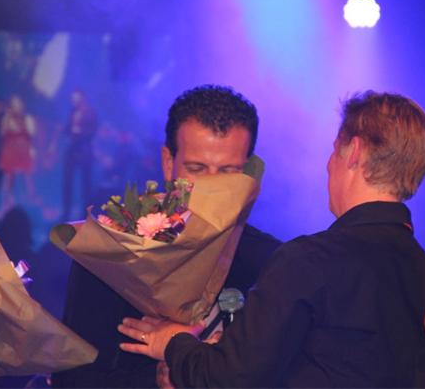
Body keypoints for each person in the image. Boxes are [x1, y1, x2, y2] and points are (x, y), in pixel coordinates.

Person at [117, 91, 425, 388]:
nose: (328, 165)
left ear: (354, 152)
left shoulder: (309, 260)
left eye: (334, 151)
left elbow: (231, 378)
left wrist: (173, 343)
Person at [52, 85, 281, 388]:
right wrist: (161, 376)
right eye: (197, 169)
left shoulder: (271, 262)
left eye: (228, 172)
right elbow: (74, 378)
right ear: (168, 163)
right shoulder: (112, 251)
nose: (212, 187)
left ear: (248, 177)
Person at [61, 90, 98, 221]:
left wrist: (79, 131)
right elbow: (68, 128)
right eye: (73, 98)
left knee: (86, 184)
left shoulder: (91, 112)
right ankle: (66, 212)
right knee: (67, 181)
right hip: (72, 149)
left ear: (82, 98)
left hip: (84, 150)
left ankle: (86, 213)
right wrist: (65, 130)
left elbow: (93, 130)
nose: (73, 101)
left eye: (76, 98)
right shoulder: (73, 112)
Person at [0, 95, 36, 207]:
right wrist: (8, 121)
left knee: (27, 175)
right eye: (14, 104)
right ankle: (7, 200)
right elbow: (2, 133)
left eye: (18, 104)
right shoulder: (7, 118)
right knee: (8, 175)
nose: (16, 106)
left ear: (22, 105)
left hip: (23, 147)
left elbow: (32, 133)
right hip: (10, 148)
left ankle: (30, 199)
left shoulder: (27, 118)